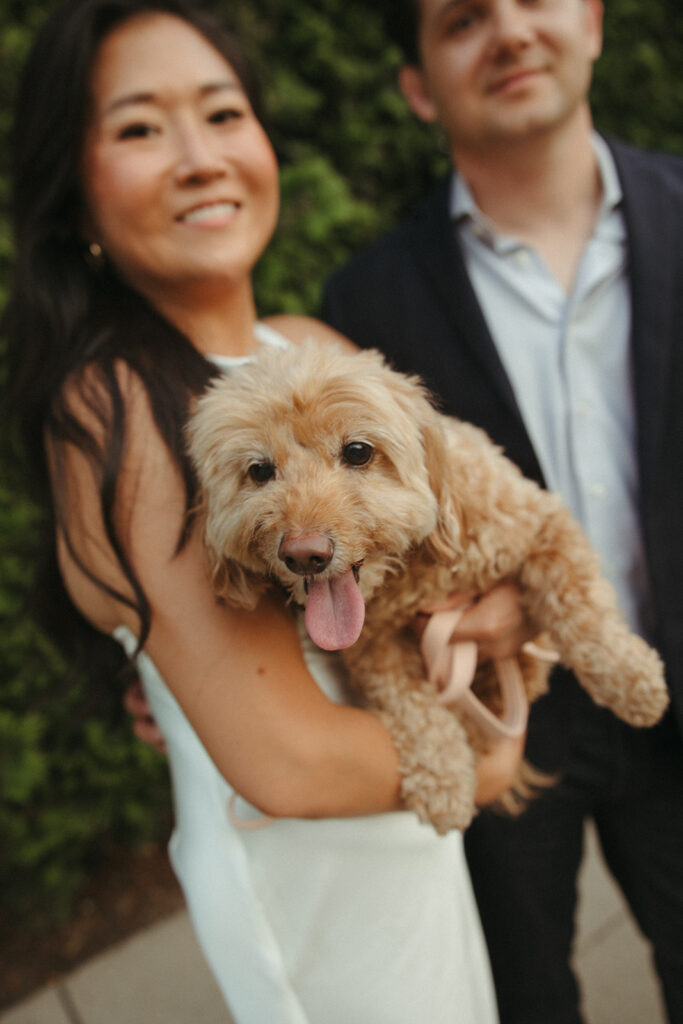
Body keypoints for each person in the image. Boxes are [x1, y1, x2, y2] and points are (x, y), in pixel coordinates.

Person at [4, 1, 532, 1020]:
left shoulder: (306, 346)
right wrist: (497, 750)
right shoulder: (112, 401)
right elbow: (285, 760)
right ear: (73, 196)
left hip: (406, 843)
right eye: (139, 128)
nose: (199, 157)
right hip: (318, 894)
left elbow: (458, 539)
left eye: (221, 112)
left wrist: (501, 608)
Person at [321, 2, 683, 1023]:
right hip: (489, 715)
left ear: (595, 21)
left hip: (666, 677)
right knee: (521, 997)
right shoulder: (362, 301)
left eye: (535, 0)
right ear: (416, 84)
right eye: (463, 19)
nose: (510, 32)